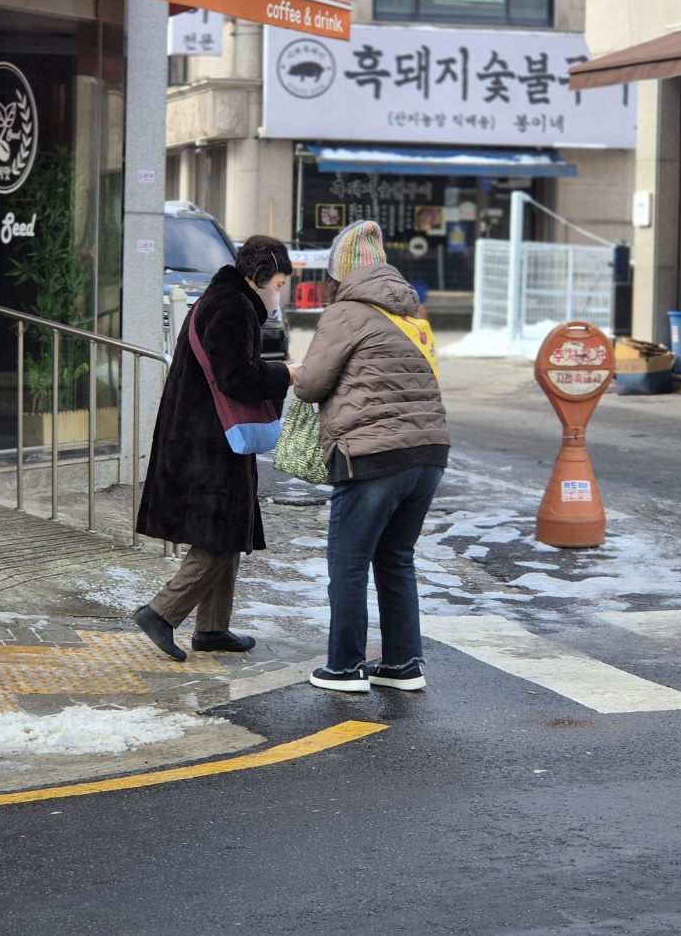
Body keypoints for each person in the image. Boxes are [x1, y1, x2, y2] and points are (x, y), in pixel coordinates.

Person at [292, 220, 449, 692]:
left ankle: (344, 667)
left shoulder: (346, 313)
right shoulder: (412, 316)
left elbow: (310, 385)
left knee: (349, 561)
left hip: (373, 456)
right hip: (429, 455)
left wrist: (295, 372)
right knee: (396, 558)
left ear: (340, 274)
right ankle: (403, 665)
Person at [134, 235, 294, 661]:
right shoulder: (233, 307)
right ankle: (161, 612)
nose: (279, 295)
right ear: (259, 277)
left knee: (229, 528)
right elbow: (235, 377)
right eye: (278, 284)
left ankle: (212, 627)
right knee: (222, 532)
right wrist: (285, 374)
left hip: (206, 436)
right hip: (210, 442)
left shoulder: (219, 299)